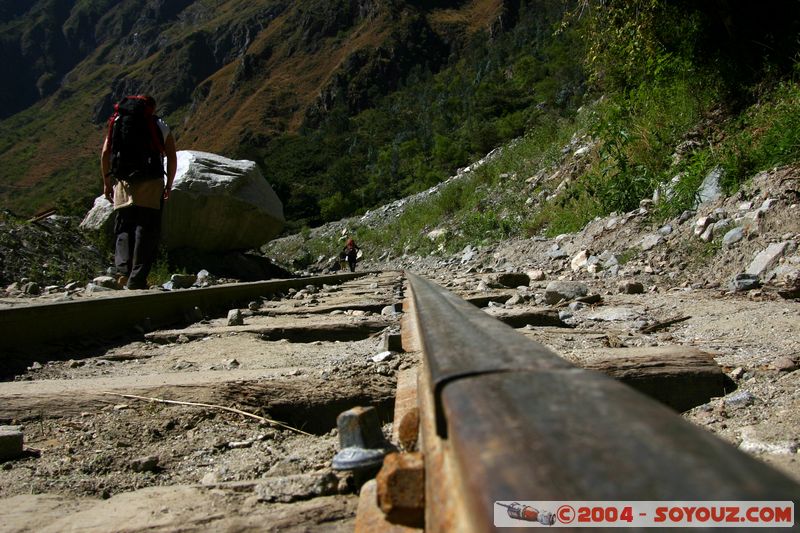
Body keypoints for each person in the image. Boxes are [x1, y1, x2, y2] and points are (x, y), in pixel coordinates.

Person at [100, 94, 177, 290]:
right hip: (151, 182)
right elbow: (171, 156)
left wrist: (107, 182)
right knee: (147, 228)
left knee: (124, 227)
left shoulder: (117, 121)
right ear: (151, 107)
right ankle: (137, 278)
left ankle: (122, 272)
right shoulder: (159, 124)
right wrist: (169, 184)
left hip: (124, 181)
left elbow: (105, 153)